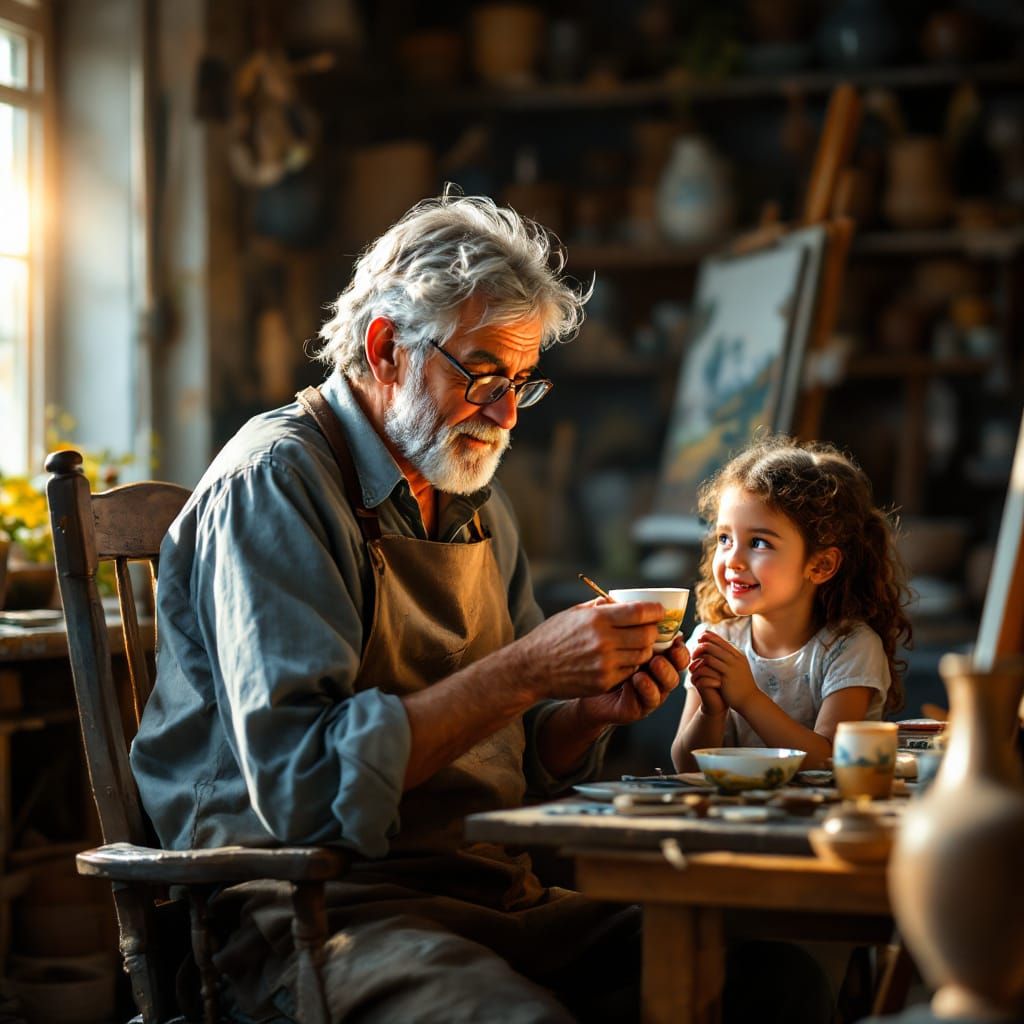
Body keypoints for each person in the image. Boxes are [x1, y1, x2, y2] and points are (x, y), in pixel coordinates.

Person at [130, 190, 689, 1023]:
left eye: (523, 384)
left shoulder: (473, 496)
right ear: (387, 348)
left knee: (762, 968)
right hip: (315, 914)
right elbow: (303, 790)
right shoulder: (277, 484)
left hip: (490, 894)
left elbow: (520, 753)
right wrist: (526, 670)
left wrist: (579, 711)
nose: (504, 416)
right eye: (485, 376)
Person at [671, 434, 913, 774]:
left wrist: (748, 699)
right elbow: (686, 767)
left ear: (820, 565)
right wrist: (711, 711)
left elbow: (831, 761)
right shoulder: (716, 640)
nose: (733, 560)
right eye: (725, 538)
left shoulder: (850, 649)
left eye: (758, 542)